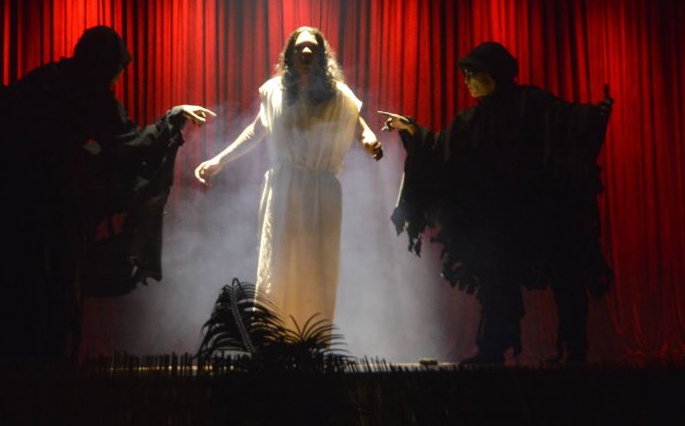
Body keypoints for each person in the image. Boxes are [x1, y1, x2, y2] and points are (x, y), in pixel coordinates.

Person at [0, 26, 215, 362]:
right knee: (54, 302)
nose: (117, 80)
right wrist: (171, 120)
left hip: (11, 213)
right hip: (54, 218)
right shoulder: (92, 97)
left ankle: (6, 394)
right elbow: (130, 146)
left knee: (15, 304)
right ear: (104, 64)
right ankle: (48, 392)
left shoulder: (47, 79)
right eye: (117, 71)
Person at [382, 41, 613, 364]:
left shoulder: (532, 103)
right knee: (494, 278)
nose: (466, 81)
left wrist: (594, 115)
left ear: (493, 75)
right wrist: (413, 130)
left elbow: (566, 122)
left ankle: (575, 348)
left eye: (471, 74)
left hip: (541, 212)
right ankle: (492, 347)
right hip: (497, 220)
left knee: (566, 274)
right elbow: (441, 148)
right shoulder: (470, 121)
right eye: (464, 75)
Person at [195, 26, 382, 328]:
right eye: (300, 48)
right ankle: (274, 340)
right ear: (291, 55)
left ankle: (314, 340)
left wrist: (370, 139)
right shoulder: (274, 91)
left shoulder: (338, 94)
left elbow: (359, 124)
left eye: (313, 49)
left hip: (322, 189)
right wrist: (219, 160)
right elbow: (256, 130)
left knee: (317, 265)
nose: (306, 53)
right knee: (279, 262)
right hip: (284, 188)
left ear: (322, 56)